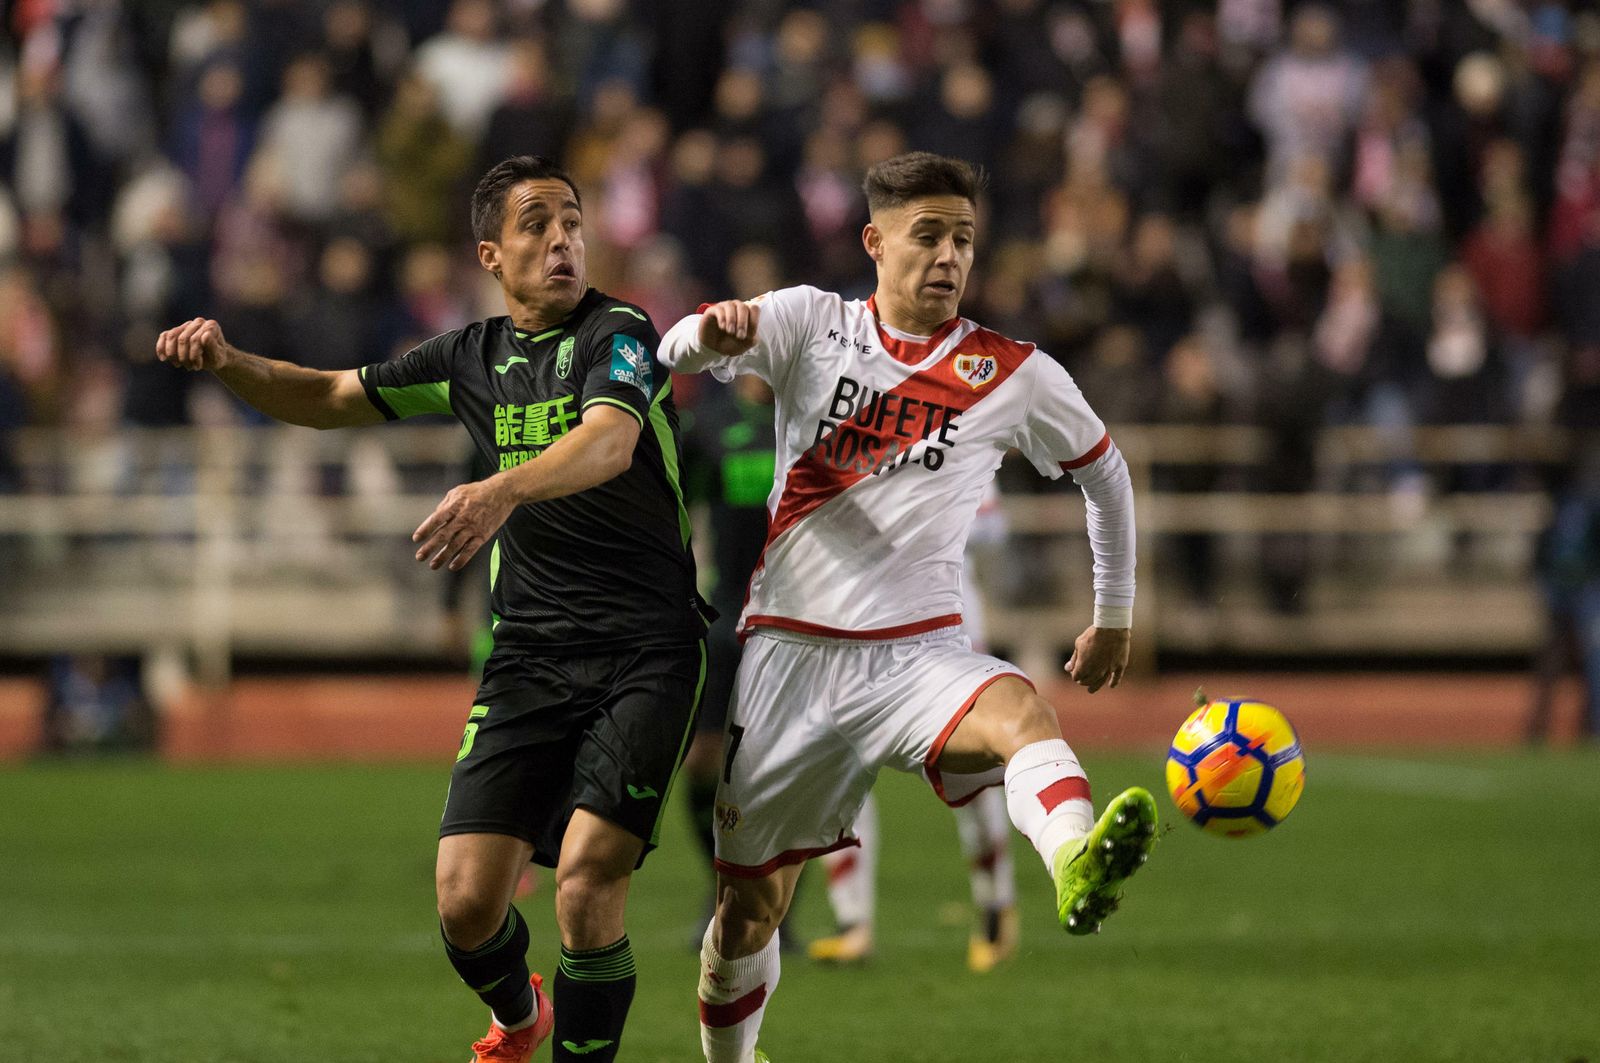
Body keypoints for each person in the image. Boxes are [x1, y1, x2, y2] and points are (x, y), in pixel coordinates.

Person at [157, 155, 708, 1063]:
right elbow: (328, 395)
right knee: (464, 900)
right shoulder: (467, 359)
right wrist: (228, 362)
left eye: (572, 222)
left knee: (585, 882)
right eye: (537, 225)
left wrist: (499, 489)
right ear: (491, 254)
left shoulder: (621, 332)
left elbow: (609, 443)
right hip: (529, 656)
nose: (563, 240)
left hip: (646, 649)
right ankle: (521, 1016)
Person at [659, 151, 1156, 1063]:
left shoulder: (1011, 371)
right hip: (791, 661)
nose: (949, 255)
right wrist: (709, 333)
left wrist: (1113, 612)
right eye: (928, 235)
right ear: (875, 242)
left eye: (964, 238)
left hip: (918, 657)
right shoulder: (812, 322)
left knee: (1023, 711)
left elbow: (1107, 474)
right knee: (747, 911)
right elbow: (673, 350)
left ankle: (1075, 861)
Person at [809, 484, 1022, 973]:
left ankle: (995, 907)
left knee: (968, 771)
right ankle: (852, 922)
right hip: (863, 623)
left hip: (949, 628)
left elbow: (992, 524)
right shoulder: (856, 443)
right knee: (840, 762)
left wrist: (915, 522)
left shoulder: (956, 440)